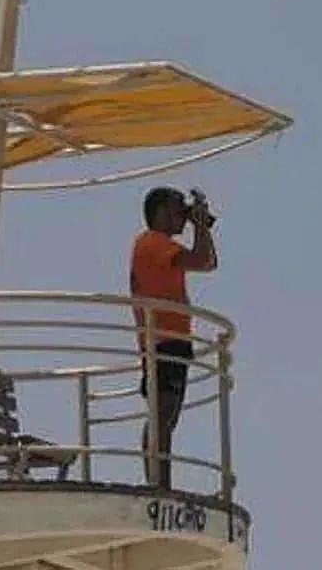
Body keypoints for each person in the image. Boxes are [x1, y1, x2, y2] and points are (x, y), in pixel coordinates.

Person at [129, 186, 218, 489]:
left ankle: (159, 481)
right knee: (162, 415)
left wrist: (200, 224)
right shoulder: (153, 242)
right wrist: (200, 224)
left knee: (166, 417)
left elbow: (207, 262)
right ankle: (159, 484)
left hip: (171, 340)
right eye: (178, 208)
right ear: (162, 211)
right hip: (163, 340)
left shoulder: (157, 245)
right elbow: (203, 260)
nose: (182, 215)